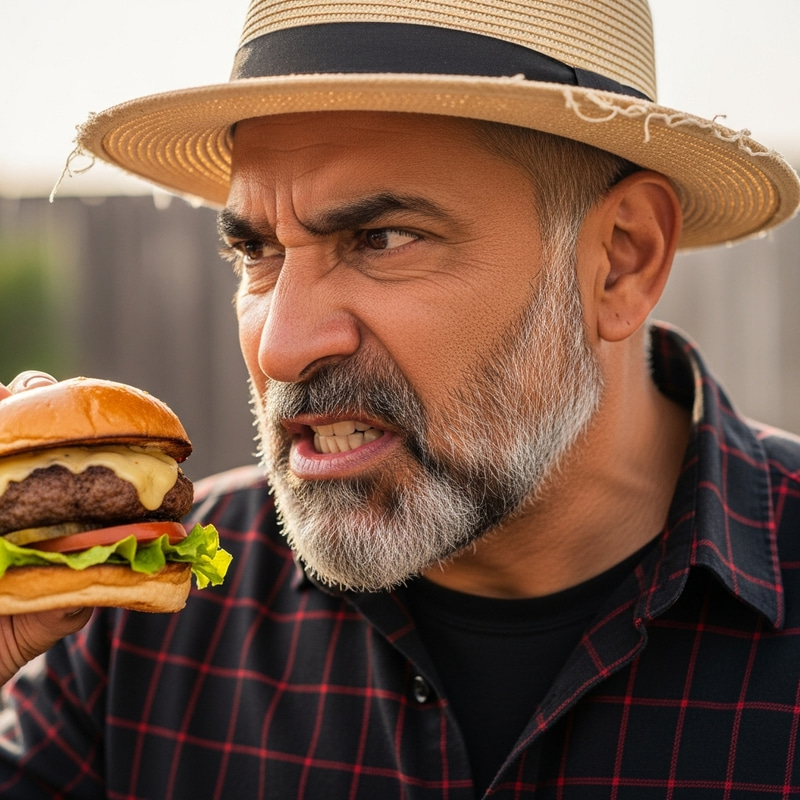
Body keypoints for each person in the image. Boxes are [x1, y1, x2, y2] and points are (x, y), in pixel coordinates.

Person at [1, 0, 799, 797]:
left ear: (621, 260)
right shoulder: (129, 620)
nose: (281, 346)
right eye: (258, 250)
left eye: (381, 239)